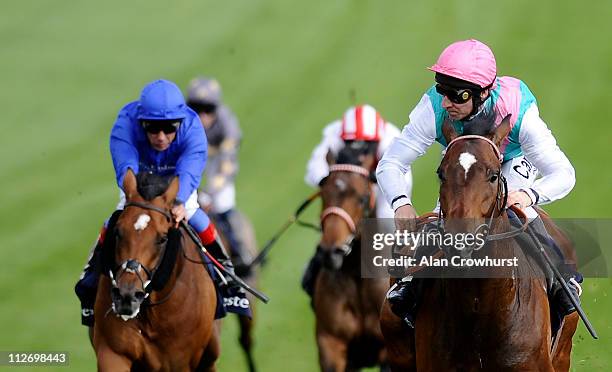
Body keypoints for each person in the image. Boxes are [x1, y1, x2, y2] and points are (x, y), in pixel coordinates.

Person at [375, 39, 581, 328]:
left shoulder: (520, 110)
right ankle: (411, 282)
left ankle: (562, 280)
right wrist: (401, 203)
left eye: (456, 95)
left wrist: (528, 195)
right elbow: (391, 163)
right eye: (440, 90)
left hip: (511, 162)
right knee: (444, 217)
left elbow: (563, 173)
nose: (446, 103)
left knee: (518, 213)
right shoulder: (433, 107)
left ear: (483, 92)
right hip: (464, 165)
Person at [74, 79, 239, 330]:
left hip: (177, 180)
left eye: (169, 129)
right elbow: (125, 165)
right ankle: (89, 279)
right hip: (139, 182)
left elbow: (190, 170)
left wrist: (180, 201)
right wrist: (133, 197)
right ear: (142, 122)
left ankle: (227, 277)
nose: (161, 137)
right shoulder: (126, 122)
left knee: (195, 214)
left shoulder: (192, 126)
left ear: (179, 123)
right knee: (118, 219)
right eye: (152, 128)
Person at [301, 104, 402, 296]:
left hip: (381, 187)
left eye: (365, 142)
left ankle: (402, 283)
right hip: (345, 187)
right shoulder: (334, 133)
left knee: (387, 225)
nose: (358, 146)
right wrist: (330, 182)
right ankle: (315, 271)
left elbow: (399, 181)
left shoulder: (391, 139)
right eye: (352, 141)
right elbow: (315, 165)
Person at [186, 77, 252, 276]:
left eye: (208, 109)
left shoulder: (228, 124)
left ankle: (239, 253)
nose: (202, 115)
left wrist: (209, 193)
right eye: (197, 108)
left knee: (223, 205)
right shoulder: (181, 121)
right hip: (190, 165)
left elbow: (226, 164)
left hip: (217, 167)